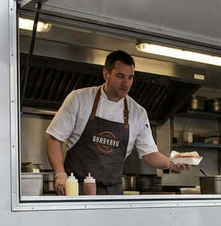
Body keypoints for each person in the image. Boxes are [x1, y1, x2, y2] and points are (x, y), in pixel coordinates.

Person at [46, 50, 189, 195]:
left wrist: (170, 163)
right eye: (120, 76)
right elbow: (54, 139)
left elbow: (149, 154)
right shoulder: (79, 99)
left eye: (130, 77)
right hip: (77, 190)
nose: (126, 83)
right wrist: (60, 174)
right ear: (106, 74)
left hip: (113, 193)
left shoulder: (137, 112)